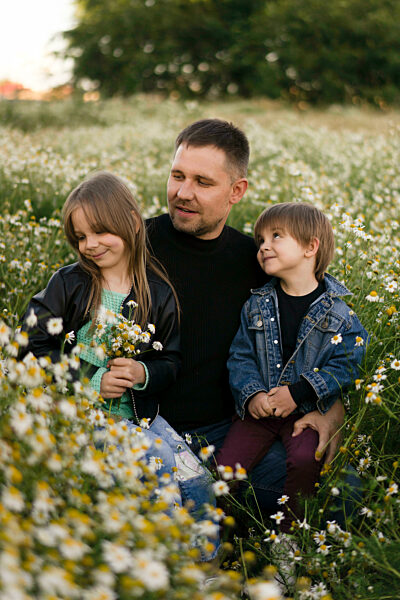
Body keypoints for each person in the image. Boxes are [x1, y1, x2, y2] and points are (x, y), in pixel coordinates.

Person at [146, 119, 346, 512]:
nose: (183, 193)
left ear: (237, 191)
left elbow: (326, 332)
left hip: (230, 433)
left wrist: (331, 411)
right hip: (147, 428)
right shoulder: (133, 244)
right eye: (177, 176)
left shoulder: (259, 263)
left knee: (345, 493)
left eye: (203, 182)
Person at [21, 171, 217, 556]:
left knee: (198, 476)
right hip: (82, 412)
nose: (89, 245)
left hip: (138, 412)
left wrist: (144, 373)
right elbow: (27, 346)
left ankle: (204, 566)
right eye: (80, 237)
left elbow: (171, 360)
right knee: (156, 459)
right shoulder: (70, 283)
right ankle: (163, 561)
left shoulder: (155, 291)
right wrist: (90, 381)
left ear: (129, 220)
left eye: (99, 232)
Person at [216, 202, 369, 530]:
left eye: (275, 236)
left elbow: (348, 363)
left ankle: (289, 536)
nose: (263, 246)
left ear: (310, 247)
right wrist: (253, 394)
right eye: (260, 240)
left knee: (304, 461)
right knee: (225, 470)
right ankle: (219, 533)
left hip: (307, 411)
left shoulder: (339, 313)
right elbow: (241, 356)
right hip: (261, 410)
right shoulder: (256, 303)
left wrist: (299, 393)